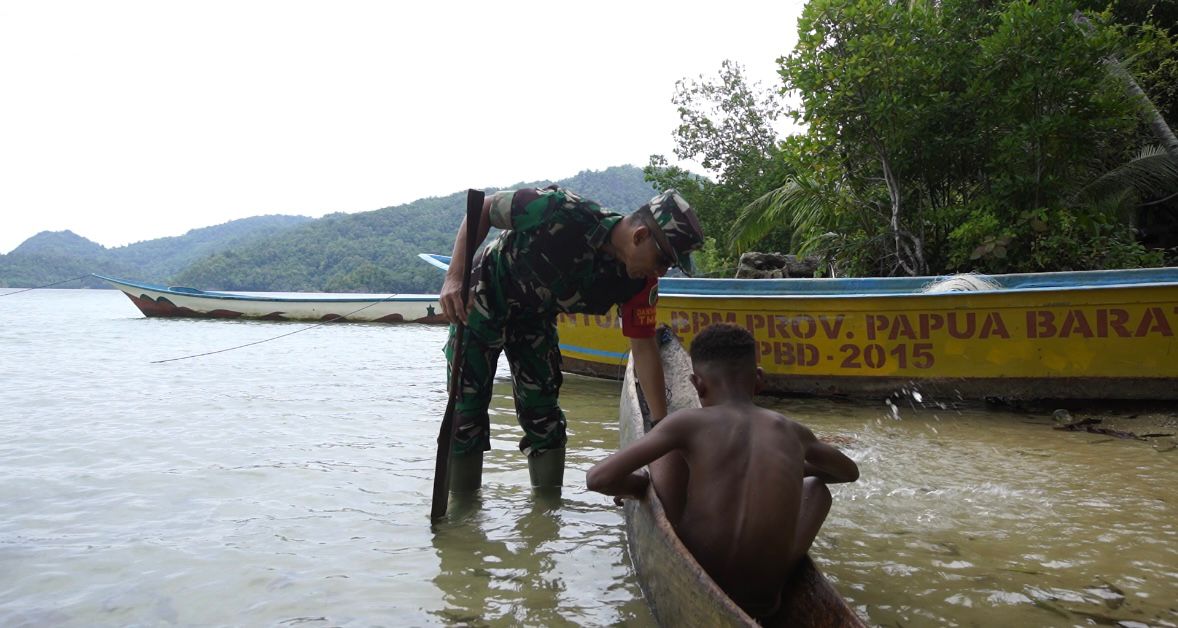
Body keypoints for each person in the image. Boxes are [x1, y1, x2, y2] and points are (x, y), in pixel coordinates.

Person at [439, 185, 705, 491]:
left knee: (545, 418)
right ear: (640, 236)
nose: (661, 271)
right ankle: (465, 512)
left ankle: (547, 512)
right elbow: (484, 208)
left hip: (534, 318)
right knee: (466, 417)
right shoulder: (560, 210)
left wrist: (660, 429)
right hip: (482, 300)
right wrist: (454, 276)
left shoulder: (639, 283)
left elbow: (644, 348)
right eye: (663, 260)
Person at [586, 322, 860, 619]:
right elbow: (849, 473)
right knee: (817, 489)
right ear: (759, 380)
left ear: (697, 384)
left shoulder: (687, 423)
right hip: (766, 598)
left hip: (700, 570)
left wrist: (639, 486)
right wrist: (791, 470)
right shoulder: (793, 431)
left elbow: (598, 478)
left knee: (669, 448)